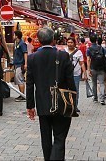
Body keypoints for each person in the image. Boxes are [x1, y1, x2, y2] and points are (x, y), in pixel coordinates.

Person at [26, 27, 75, 161]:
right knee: (59, 138)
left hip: (42, 103)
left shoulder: (32, 58)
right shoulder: (63, 55)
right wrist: (73, 102)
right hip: (61, 102)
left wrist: (30, 106)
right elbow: (70, 81)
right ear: (53, 39)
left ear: (39, 41)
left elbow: (29, 84)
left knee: (45, 138)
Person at [87, 37, 106, 104]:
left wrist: (88, 69)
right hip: (101, 68)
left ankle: (95, 98)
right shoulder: (102, 48)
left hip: (93, 68)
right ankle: (102, 99)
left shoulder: (89, 49)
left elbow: (88, 60)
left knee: (94, 84)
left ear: (90, 41)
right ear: (96, 40)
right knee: (101, 83)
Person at [66, 37, 86, 114]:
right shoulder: (64, 51)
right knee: (67, 90)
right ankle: (68, 105)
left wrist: (84, 73)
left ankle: (75, 106)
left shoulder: (79, 52)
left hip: (76, 74)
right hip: (66, 75)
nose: (70, 44)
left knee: (75, 91)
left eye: (71, 42)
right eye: (68, 42)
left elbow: (82, 63)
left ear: (74, 43)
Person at [12, 30, 28, 102]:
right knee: (18, 80)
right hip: (17, 64)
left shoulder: (22, 44)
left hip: (20, 64)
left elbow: (25, 53)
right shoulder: (17, 44)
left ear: (17, 36)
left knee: (20, 79)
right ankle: (21, 94)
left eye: (14, 35)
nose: (13, 36)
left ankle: (23, 96)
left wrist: (25, 64)